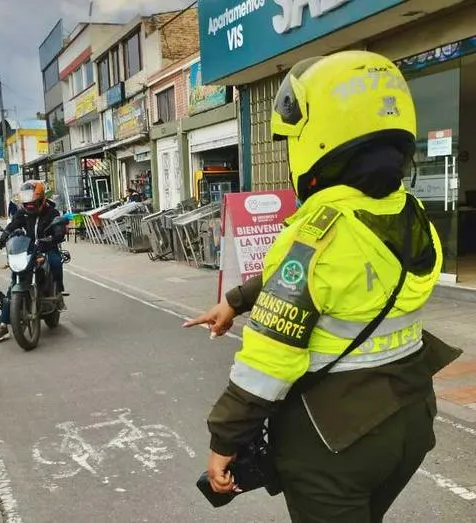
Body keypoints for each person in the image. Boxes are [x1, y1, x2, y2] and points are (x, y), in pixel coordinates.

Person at [184, 51, 459, 522]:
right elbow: (328, 282)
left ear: (319, 141)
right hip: (411, 415)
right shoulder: (411, 215)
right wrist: (236, 302)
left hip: (336, 440)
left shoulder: (315, 234)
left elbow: (269, 361)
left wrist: (223, 440)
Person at [0, 180, 67, 342]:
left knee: (55, 261)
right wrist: (4, 236)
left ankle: (58, 293)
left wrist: (55, 236)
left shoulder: (52, 213)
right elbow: (12, 226)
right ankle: (3, 325)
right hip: (27, 249)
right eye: (28, 204)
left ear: (41, 200)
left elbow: (60, 231)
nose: (30, 206)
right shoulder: (22, 213)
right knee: (13, 284)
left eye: (34, 203)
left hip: (47, 247)